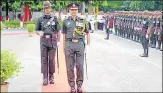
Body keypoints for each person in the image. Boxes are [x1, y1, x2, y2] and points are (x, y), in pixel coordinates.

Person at [62, 3, 90, 93]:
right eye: (72, 10)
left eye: (75, 10)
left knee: (80, 66)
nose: (73, 11)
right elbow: (64, 35)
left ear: (77, 10)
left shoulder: (83, 20)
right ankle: (72, 86)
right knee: (69, 67)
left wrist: (88, 45)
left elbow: (87, 33)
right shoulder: (66, 21)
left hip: (80, 45)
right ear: (69, 11)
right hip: (69, 44)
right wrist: (64, 47)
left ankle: (79, 85)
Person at [35, 1, 61, 85]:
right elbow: (36, 30)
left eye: (48, 8)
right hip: (43, 41)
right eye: (46, 8)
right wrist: (39, 33)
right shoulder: (40, 19)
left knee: (51, 59)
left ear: (50, 8)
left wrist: (59, 41)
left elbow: (58, 31)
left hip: (53, 41)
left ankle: (51, 76)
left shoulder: (55, 18)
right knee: (44, 59)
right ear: (43, 9)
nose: (47, 9)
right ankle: (45, 77)